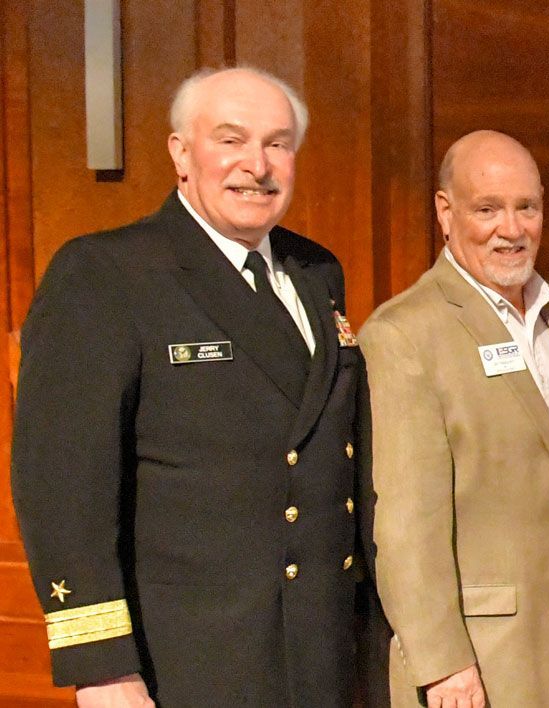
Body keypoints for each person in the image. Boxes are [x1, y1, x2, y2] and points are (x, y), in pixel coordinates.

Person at [11, 66, 363, 706]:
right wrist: (101, 668)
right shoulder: (106, 274)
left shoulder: (317, 271)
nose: (256, 165)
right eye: (230, 139)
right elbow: (61, 484)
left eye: (277, 143)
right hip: (194, 661)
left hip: (325, 654)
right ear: (180, 153)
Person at [361, 130, 549, 708]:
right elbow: (404, 527)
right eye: (488, 209)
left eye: (527, 207)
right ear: (445, 213)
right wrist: (444, 665)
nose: (512, 229)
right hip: (478, 669)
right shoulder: (404, 334)